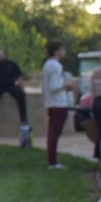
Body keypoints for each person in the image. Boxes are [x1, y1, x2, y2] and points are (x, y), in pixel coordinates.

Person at [41, 40, 77, 169]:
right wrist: (66, 85)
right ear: (56, 51)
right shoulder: (56, 66)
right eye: (62, 49)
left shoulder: (47, 65)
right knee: (54, 134)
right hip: (58, 104)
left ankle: (52, 160)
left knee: (52, 134)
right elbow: (53, 86)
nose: (64, 52)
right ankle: (53, 163)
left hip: (51, 103)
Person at [0, 48, 27, 127]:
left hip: (10, 85)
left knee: (20, 94)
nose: (0, 56)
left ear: (6, 55)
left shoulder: (12, 64)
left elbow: (19, 76)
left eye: (2, 55)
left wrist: (22, 87)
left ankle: (23, 117)